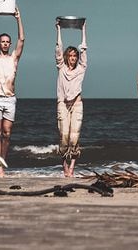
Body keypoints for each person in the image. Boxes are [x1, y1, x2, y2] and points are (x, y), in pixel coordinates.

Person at [0, 6, 24, 177]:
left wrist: (18, 18)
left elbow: (22, 39)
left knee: (6, 134)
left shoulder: (14, 58)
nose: (6, 44)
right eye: (3, 41)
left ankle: (2, 163)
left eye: (8, 41)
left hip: (10, 100)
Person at [55, 20, 88, 177]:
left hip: (77, 105)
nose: (73, 58)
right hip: (63, 104)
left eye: (75, 56)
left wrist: (83, 29)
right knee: (64, 137)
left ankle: (72, 167)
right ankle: (64, 166)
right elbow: (59, 49)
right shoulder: (61, 67)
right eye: (71, 55)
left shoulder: (81, 69)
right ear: (67, 57)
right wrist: (59, 29)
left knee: (74, 137)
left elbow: (84, 48)